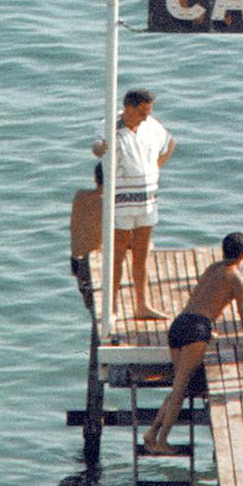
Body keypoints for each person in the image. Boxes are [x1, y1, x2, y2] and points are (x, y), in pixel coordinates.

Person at [140, 232, 243, 454]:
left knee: (177, 386)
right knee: (180, 389)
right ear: (241, 255)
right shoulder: (237, 279)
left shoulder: (213, 268)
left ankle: (152, 434)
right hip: (196, 330)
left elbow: (204, 298)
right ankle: (160, 441)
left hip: (180, 323)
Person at [92, 88, 174, 321]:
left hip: (147, 199)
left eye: (148, 112)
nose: (145, 117)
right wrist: (100, 149)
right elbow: (98, 145)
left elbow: (170, 143)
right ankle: (113, 307)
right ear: (128, 108)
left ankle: (142, 305)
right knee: (117, 255)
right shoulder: (109, 124)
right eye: (141, 112)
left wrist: (155, 169)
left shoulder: (150, 125)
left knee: (142, 254)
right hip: (121, 201)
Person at [68, 164, 106, 311]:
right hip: (91, 263)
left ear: (95, 178)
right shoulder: (108, 203)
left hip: (75, 262)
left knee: (93, 308)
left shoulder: (80, 196)